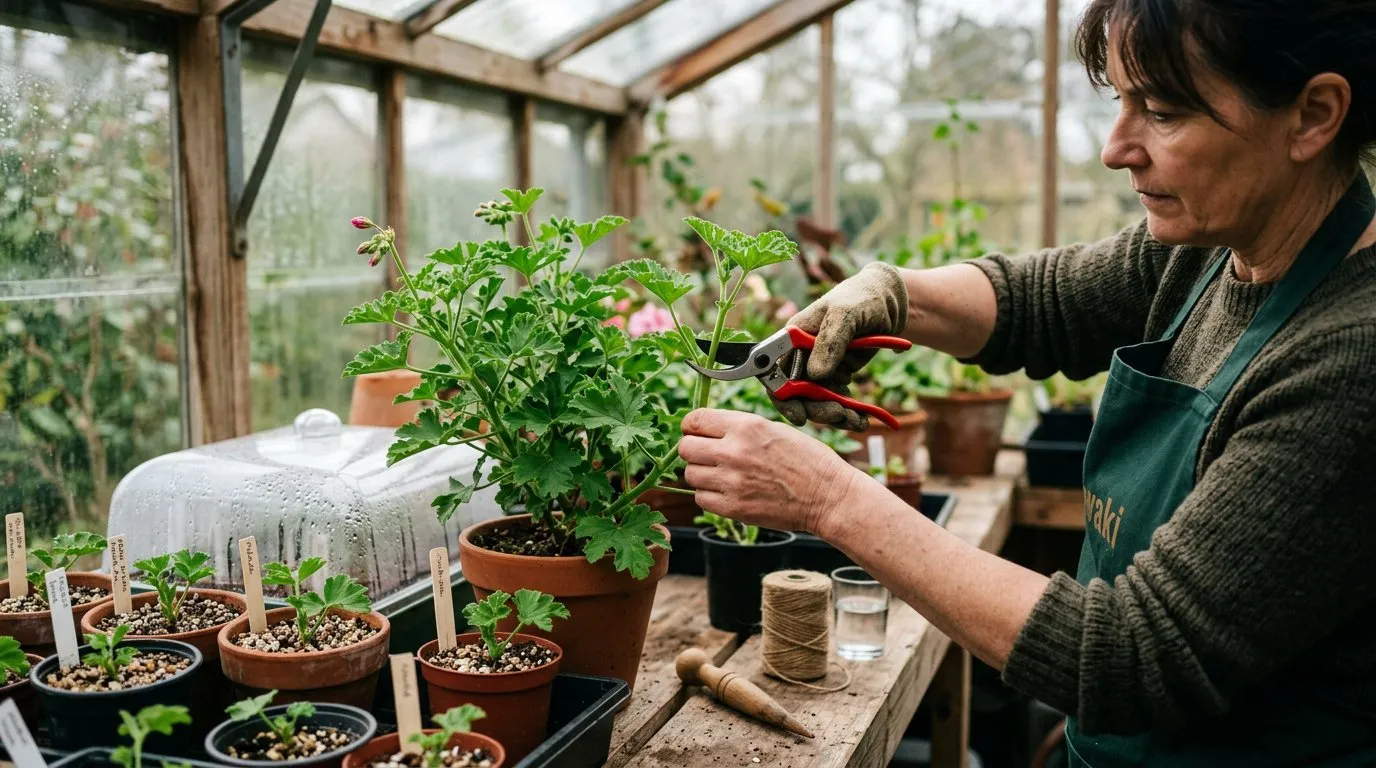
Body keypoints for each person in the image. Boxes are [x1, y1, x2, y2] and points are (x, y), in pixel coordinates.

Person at [678, 1, 1376, 765]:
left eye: (1164, 112)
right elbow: (1040, 303)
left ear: (1313, 116)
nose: (1117, 148)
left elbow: (1134, 655)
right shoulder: (1214, 250)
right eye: (1120, 101)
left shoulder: (1351, 357)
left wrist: (830, 498)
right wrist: (891, 292)